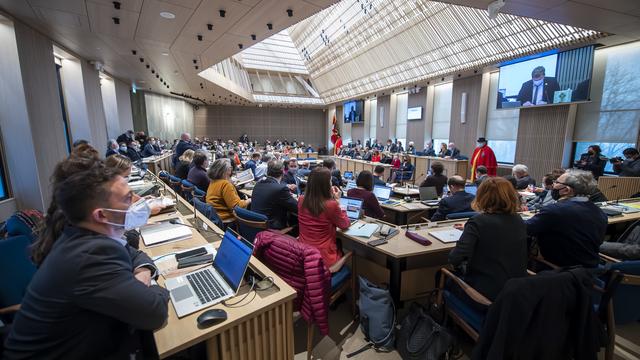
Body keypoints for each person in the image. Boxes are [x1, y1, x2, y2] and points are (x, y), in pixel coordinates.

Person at [5, 155, 169, 359]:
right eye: (128, 198)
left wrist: (142, 274)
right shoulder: (89, 255)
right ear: (101, 215)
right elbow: (155, 313)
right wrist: (152, 285)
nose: (137, 202)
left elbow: (133, 253)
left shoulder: (85, 234)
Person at [448, 177, 528, 301]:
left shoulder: (478, 221)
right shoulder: (518, 219)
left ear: (482, 196)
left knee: (442, 276)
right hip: (515, 292)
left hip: (484, 296)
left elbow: (454, 258)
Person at [525, 169, 607, 267]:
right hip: (589, 268)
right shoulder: (600, 212)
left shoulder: (555, 210)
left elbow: (526, 229)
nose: (553, 185)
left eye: (556, 182)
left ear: (566, 190)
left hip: (557, 269)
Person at [297, 167, 351, 271]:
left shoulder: (301, 200)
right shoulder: (331, 205)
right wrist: (339, 202)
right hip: (324, 259)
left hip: (303, 254)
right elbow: (345, 224)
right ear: (326, 185)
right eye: (330, 181)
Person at [251, 160, 298, 230]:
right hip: (271, 229)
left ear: (267, 171)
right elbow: (297, 208)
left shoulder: (258, 184)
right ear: (282, 172)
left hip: (255, 226)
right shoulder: (280, 189)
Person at [206, 158, 251, 223]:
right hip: (226, 220)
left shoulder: (213, 181)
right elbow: (236, 207)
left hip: (215, 216)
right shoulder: (225, 184)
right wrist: (249, 200)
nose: (231, 168)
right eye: (230, 167)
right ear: (225, 170)